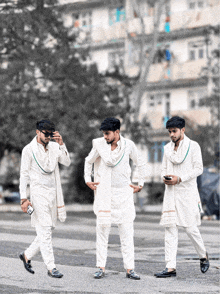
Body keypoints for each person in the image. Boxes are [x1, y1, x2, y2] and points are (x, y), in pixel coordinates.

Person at [84, 117, 146, 280]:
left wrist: (140, 183)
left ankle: (130, 269)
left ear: (117, 132)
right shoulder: (99, 145)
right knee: (103, 232)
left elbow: (140, 162)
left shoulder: (128, 145)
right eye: (103, 133)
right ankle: (100, 267)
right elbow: (88, 161)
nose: (105, 136)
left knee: (126, 232)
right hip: (104, 193)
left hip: (124, 194)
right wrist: (88, 180)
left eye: (107, 133)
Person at [154, 116, 209, 278]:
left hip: (187, 192)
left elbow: (199, 169)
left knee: (190, 228)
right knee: (170, 229)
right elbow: (163, 169)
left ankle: (203, 255)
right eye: (169, 132)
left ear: (183, 130)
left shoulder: (193, 146)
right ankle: (170, 267)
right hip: (171, 193)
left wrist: (180, 178)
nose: (171, 134)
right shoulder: (167, 149)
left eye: (174, 131)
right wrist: (165, 177)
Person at [19, 119, 71, 278]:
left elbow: (67, 162)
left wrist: (62, 144)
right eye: (45, 134)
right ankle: (51, 267)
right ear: (37, 132)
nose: (48, 137)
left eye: (50, 134)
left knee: (48, 229)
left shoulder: (55, 147)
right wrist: (23, 198)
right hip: (38, 193)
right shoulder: (28, 150)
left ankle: (26, 255)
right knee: (46, 230)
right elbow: (24, 175)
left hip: (53, 193)